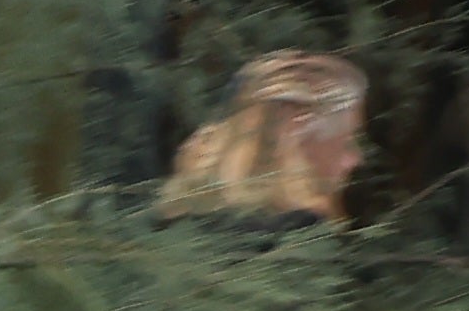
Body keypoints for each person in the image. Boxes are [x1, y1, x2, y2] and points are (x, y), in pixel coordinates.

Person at [155, 50, 367, 224]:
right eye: (347, 140)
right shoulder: (301, 240)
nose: (355, 159)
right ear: (297, 128)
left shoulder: (173, 224)